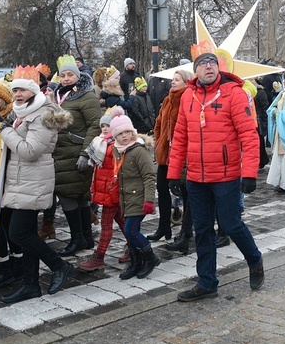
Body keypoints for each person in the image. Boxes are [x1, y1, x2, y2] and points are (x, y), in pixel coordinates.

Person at [168, 51, 264, 302]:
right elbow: (179, 137)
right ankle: (207, 282)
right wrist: (173, 173)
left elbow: (249, 136)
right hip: (197, 178)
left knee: (231, 225)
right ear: (196, 71)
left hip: (225, 175)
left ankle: (254, 260)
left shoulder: (234, 93)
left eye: (212, 63)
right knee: (202, 230)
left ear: (218, 68)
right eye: (202, 64)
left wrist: (250, 172)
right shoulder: (188, 95)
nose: (208, 67)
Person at [0, 71, 74, 304]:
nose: (17, 95)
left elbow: (30, 151)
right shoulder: (23, 113)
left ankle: (59, 265)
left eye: (22, 90)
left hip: (34, 179)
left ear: (34, 91)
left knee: (18, 233)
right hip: (22, 180)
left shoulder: (43, 115)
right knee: (27, 233)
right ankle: (31, 285)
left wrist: (5, 131)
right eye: (15, 91)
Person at [53, 54, 102, 256]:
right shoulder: (58, 95)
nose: (66, 79)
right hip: (62, 151)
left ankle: (77, 238)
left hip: (75, 152)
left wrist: (85, 153)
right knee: (80, 196)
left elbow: (94, 125)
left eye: (69, 75)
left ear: (78, 76)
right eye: (62, 75)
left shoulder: (87, 95)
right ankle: (86, 237)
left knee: (67, 195)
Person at [77, 109, 129, 272]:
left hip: (111, 191)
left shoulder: (116, 145)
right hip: (105, 189)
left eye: (108, 126)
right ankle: (135, 247)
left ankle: (99, 256)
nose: (105, 129)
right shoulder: (101, 142)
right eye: (103, 126)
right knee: (121, 221)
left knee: (106, 225)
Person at [109, 113, 160, 279]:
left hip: (139, 197)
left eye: (127, 132)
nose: (124, 136)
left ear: (133, 132)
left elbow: (149, 175)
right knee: (131, 230)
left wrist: (149, 200)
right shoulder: (118, 149)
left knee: (130, 230)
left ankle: (151, 258)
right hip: (126, 198)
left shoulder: (138, 150)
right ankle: (136, 263)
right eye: (120, 134)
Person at [148, 69, 194, 247]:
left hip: (181, 155)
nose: (173, 82)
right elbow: (159, 122)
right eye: (173, 79)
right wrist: (160, 141)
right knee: (162, 189)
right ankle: (163, 227)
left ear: (186, 82)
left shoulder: (188, 99)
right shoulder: (168, 99)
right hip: (165, 154)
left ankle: (186, 231)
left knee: (185, 192)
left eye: (177, 79)